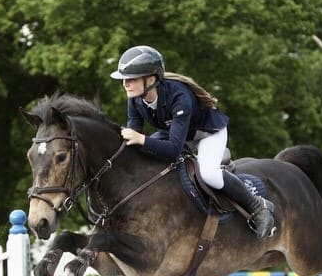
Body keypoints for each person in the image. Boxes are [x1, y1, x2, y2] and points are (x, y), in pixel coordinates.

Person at [111, 45, 275, 239]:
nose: (125, 84)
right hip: (176, 134)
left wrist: (142, 140)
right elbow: (135, 134)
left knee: (209, 174)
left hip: (207, 134)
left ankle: (258, 206)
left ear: (151, 79)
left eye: (131, 79)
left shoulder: (180, 96)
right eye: (124, 79)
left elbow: (172, 150)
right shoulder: (136, 98)